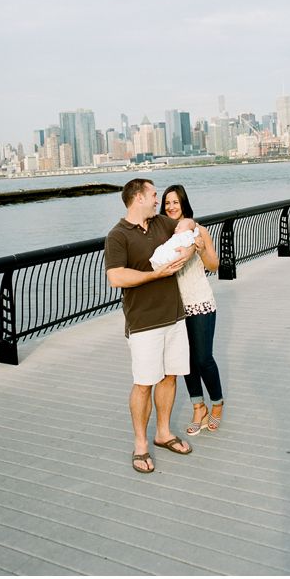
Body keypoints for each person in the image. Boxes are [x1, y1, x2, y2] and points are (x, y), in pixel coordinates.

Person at [104, 178, 195, 474]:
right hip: (143, 323)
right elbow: (116, 277)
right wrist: (155, 276)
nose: (158, 200)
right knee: (144, 384)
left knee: (170, 377)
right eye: (154, 195)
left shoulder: (160, 224)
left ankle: (163, 433)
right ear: (138, 198)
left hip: (174, 316)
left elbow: (190, 228)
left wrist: (187, 251)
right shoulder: (117, 235)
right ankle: (141, 444)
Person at [160, 184, 225, 437]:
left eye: (175, 202)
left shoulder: (199, 231)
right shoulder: (164, 234)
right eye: (167, 203)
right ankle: (199, 407)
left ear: (184, 204)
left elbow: (213, 265)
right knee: (185, 362)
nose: (171, 207)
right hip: (176, 307)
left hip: (200, 302)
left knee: (203, 358)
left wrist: (199, 248)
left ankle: (217, 403)